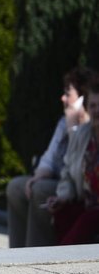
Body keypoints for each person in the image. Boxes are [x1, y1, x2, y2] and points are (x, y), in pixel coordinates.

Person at [5, 67, 93, 247]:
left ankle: (35, 253)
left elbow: (77, 169)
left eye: (68, 93)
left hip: (72, 187)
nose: (63, 98)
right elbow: (49, 157)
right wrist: (37, 176)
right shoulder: (64, 121)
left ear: (83, 97)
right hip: (58, 180)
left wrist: (73, 129)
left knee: (41, 190)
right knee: (16, 187)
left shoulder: (89, 128)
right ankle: (16, 253)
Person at [46, 78, 99, 245]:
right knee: (63, 212)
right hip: (86, 203)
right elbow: (68, 172)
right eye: (93, 106)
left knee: (88, 220)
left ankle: (60, 260)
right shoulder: (81, 134)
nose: (97, 111)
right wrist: (62, 197)